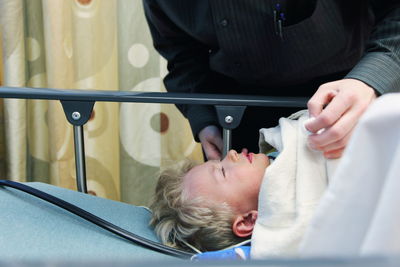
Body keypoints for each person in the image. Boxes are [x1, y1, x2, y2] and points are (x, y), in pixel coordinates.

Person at [142, 0, 400, 160]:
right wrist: (204, 120)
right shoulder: (238, 165)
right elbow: (181, 54)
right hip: (235, 115)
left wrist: (370, 79)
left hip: (348, 92)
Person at [150, 111, 333, 256]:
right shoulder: (297, 224)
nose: (230, 154)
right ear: (247, 221)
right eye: (222, 171)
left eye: (219, 161)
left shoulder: (286, 144)